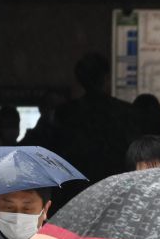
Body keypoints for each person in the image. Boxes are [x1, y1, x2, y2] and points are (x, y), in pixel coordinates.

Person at [49, 52, 141, 198]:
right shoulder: (125, 112)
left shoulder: (66, 113)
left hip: (75, 191)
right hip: (115, 188)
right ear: (106, 78)